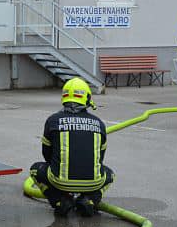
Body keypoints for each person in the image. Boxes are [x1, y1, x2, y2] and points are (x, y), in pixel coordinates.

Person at [30, 78, 115, 217]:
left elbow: (46, 154)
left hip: (60, 182)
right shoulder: (99, 123)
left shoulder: (53, 120)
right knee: (110, 174)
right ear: (87, 98)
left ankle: (60, 201)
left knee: (35, 169)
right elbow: (100, 157)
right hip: (93, 182)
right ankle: (90, 200)